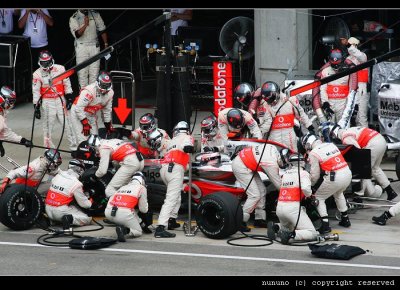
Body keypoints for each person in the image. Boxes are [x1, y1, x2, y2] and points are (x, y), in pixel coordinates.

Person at [329, 124, 397, 200]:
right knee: (375, 168)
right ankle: (390, 191)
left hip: (373, 144)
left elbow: (358, 152)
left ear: (334, 134)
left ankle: (359, 194)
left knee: (363, 168)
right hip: (380, 140)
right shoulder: (350, 129)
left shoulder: (346, 138)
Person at [150, 121, 194, 238]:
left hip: (165, 169)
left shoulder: (170, 141)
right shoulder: (187, 137)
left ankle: (172, 220)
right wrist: (188, 147)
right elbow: (187, 145)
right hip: (175, 170)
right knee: (171, 199)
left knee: (176, 197)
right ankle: (160, 228)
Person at [301, 133, 351, 234]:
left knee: (319, 197)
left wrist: (311, 186)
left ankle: (325, 225)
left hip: (335, 176)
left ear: (308, 144)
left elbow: (315, 175)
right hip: (347, 173)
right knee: (338, 193)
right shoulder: (331, 144)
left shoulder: (314, 153)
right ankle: (345, 219)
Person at [231, 144, 283, 230]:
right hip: (240, 166)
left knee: (262, 191)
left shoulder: (272, 148)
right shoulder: (271, 163)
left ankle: (259, 220)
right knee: (254, 195)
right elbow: (279, 186)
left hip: (246, 163)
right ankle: (240, 221)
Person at [270, 154, 319, 244]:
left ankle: (276, 227)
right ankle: (291, 235)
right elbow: (305, 189)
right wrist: (310, 195)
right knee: (312, 233)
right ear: (302, 163)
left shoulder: (285, 175)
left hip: (280, 207)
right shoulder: (303, 174)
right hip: (293, 208)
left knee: (290, 227)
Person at [32, 50, 76, 150]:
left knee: (68, 125)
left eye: (47, 61)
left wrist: (69, 98)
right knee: (47, 128)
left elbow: (67, 83)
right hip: (47, 103)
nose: (46, 64)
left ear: (51, 60)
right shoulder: (36, 74)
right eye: (43, 62)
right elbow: (36, 91)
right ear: (39, 62)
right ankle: (49, 150)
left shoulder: (60, 68)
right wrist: (36, 106)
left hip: (61, 101)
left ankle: (74, 148)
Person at [259, 81, 314, 152]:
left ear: (277, 92)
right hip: (273, 137)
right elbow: (263, 123)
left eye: (271, 98)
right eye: (268, 100)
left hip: (289, 136)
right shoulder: (264, 104)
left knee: (293, 157)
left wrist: (309, 125)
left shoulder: (290, 100)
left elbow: (301, 113)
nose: (270, 101)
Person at [87, 134, 145, 199]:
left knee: (109, 190)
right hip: (140, 160)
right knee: (127, 186)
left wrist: (94, 176)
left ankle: (123, 205)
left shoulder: (103, 148)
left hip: (131, 163)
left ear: (93, 146)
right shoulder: (112, 141)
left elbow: (102, 171)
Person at [70, 71, 114, 151]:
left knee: (95, 138)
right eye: (103, 85)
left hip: (91, 113)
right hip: (78, 112)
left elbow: (107, 110)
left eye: (107, 86)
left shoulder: (110, 93)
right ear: (98, 83)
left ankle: (93, 155)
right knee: (83, 139)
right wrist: (85, 123)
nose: (105, 89)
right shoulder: (89, 91)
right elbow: (79, 108)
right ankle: (81, 156)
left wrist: (108, 126)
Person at [45, 159, 92, 228]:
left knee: (71, 205)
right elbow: (85, 205)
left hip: (47, 209)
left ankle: (50, 220)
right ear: (80, 170)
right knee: (87, 218)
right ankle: (68, 219)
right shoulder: (76, 183)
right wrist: (90, 201)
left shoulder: (58, 175)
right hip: (60, 212)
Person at [104, 172, 149, 242]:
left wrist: (143, 225)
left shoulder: (123, 187)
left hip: (109, 213)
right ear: (142, 180)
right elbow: (143, 210)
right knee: (138, 231)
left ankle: (122, 225)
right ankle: (124, 230)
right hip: (123, 214)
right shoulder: (141, 188)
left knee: (130, 209)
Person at [69, 9, 109, 88]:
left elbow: (102, 29)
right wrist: (85, 25)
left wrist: (106, 44)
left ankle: (93, 97)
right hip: (82, 47)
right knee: (82, 74)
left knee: (94, 74)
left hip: (94, 46)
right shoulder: (74, 17)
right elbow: (77, 35)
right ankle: (84, 97)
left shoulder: (95, 14)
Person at [319, 48, 358, 123]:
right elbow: (323, 89)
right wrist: (325, 103)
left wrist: (355, 104)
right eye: (333, 64)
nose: (335, 67)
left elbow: (353, 89)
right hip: (330, 103)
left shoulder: (348, 71)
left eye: (337, 64)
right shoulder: (325, 71)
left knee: (343, 129)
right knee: (329, 128)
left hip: (343, 103)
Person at [340, 37, 369, 127]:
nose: (349, 48)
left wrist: (348, 45)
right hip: (350, 89)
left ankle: (365, 136)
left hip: (362, 89)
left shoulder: (363, 57)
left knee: (362, 116)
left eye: (350, 45)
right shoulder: (347, 60)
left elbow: (358, 55)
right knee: (347, 115)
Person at [0, 86, 32, 157]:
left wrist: (22, 141)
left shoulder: (2, 111)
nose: (12, 104)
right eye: (11, 101)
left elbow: (5, 132)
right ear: (3, 99)